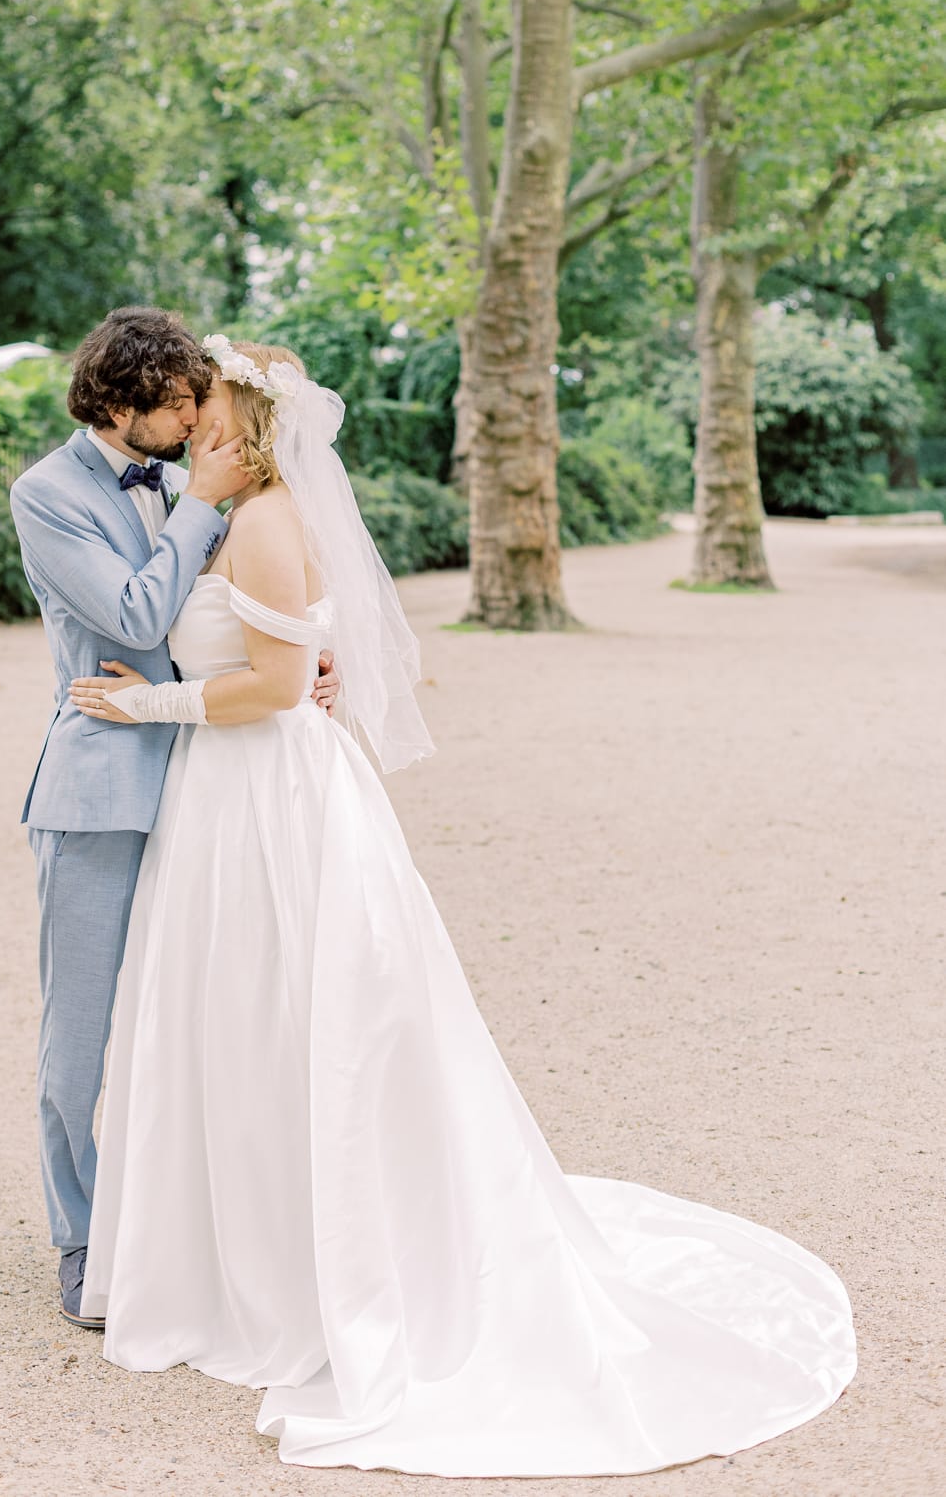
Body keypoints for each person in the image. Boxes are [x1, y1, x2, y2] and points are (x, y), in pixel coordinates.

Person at [66, 336, 856, 1478]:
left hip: (269, 802)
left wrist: (155, 709)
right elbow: (287, 655)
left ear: (246, 424)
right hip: (228, 808)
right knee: (236, 1022)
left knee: (299, 1020)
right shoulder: (234, 515)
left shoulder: (270, 521)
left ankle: (312, 1264)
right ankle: (240, 1241)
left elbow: (280, 688)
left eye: (211, 409)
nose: (195, 423)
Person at [9, 308, 338, 1329]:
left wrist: (304, 656)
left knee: (200, 1029)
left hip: (213, 791)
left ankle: (188, 1230)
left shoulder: (208, 483)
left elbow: (240, 608)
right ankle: (79, 1236)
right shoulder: (49, 495)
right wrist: (200, 502)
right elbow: (140, 618)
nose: (201, 421)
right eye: (180, 405)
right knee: (81, 1041)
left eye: (203, 399)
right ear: (119, 406)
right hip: (105, 792)